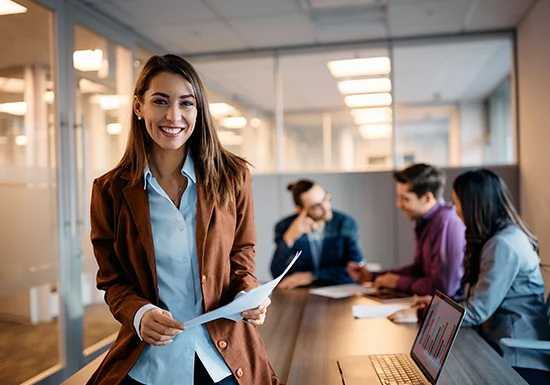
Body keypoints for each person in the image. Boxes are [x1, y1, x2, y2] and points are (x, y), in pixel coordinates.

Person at [88, 54, 278, 385]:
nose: (173, 116)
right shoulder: (110, 190)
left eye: (186, 103)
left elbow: (242, 254)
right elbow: (111, 279)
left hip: (223, 357)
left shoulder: (232, 176)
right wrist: (139, 313)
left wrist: (250, 294)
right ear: (138, 106)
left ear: (198, 110)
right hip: (150, 362)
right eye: (160, 101)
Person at [389, 169, 550, 385]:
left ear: (474, 204)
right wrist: (435, 305)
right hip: (498, 341)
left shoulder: (504, 244)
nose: (455, 210)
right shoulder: (500, 237)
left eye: (458, 203)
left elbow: (477, 311)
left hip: (516, 353)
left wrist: (424, 313)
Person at [348, 164, 465, 297]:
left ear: (427, 198)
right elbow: (419, 269)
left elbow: (444, 288)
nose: (398, 204)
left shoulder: (446, 224)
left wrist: (399, 282)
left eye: (405, 199)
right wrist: (373, 276)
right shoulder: (425, 221)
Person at [271, 180, 363, 290]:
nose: (326, 207)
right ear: (299, 210)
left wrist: (312, 276)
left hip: (338, 292)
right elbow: (277, 274)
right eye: (316, 206)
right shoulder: (285, 226)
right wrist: (289, 239)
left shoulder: (345, 223)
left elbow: (356, 272)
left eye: (325, 198)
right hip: (300, 295)